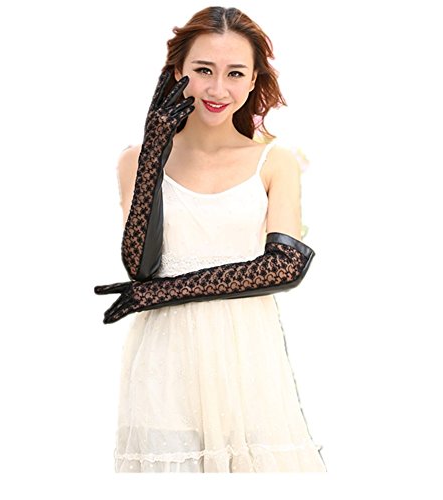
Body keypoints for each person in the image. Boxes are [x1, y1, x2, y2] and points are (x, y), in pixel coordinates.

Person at [94, 6, 327, 472]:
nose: (218, 89)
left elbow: (284, 267)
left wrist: (158, 294)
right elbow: (140, 266)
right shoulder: (136, 160)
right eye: (203, 70)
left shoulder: (275, 162)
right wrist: (154, 152)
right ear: (176, 72)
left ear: (253, 79)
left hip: (248, 355)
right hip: (165, 361)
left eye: (235, 73)